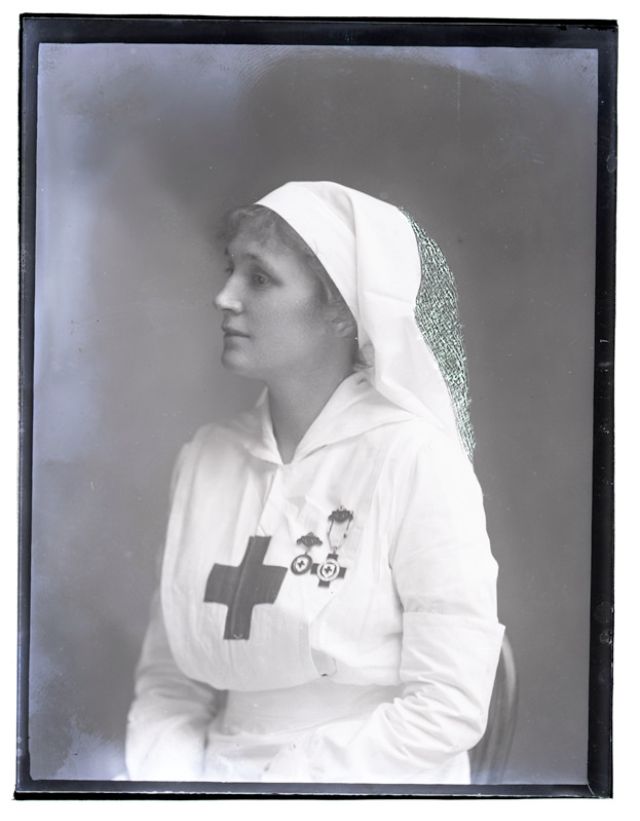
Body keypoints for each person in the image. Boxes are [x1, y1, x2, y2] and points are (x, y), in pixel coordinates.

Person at [125, 181, 505, 784]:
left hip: (365, 784)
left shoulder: (412, 458)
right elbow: (170, 685)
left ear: (340, 311)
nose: (224, 296)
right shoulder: (205, 458)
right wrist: (170, 791)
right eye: (231, 270)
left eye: (259, 278)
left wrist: (279, 789)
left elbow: (448, 706)